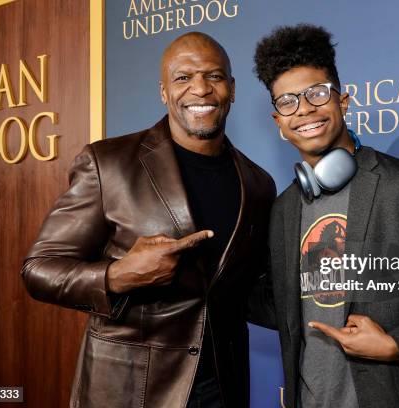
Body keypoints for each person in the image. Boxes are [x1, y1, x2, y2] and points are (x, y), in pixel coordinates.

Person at [21, 32, 275, 408]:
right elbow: (38, 270)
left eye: (214, 76)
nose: (200, 89)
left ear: (232, 89)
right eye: (183, 77)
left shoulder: (257, 184)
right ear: (163, 91)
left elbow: (249, 291)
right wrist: (118, 274)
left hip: (222, 387)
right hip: (129, 387)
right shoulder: (108, 163)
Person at [249, 24, 399, 408]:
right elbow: (283, 305)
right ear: (278, 123)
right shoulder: (284, 209)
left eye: (317, 93)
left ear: (343, 102)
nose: (304, 110)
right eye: (287, 102)